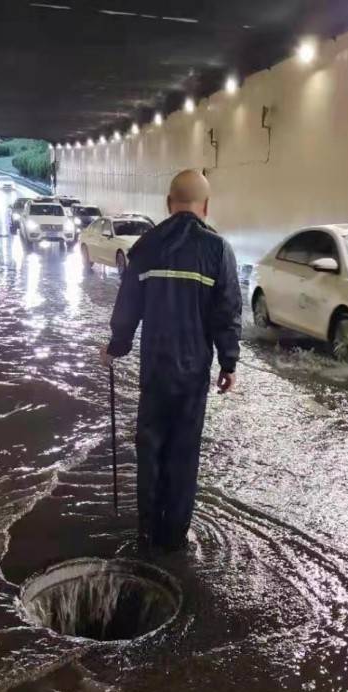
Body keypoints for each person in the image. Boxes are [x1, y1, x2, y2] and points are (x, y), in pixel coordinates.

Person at [100, 169, 242, 552]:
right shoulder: (217, 250)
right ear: (206, 207)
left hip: (155, 369)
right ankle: (175, 535)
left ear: (167, 203)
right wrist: (228, 363)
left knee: (150, 447)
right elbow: (226, 312)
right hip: (193, 372)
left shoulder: (145, 246)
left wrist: (116, 347)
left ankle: (145, 530)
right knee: (183, 452)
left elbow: (127, 306)